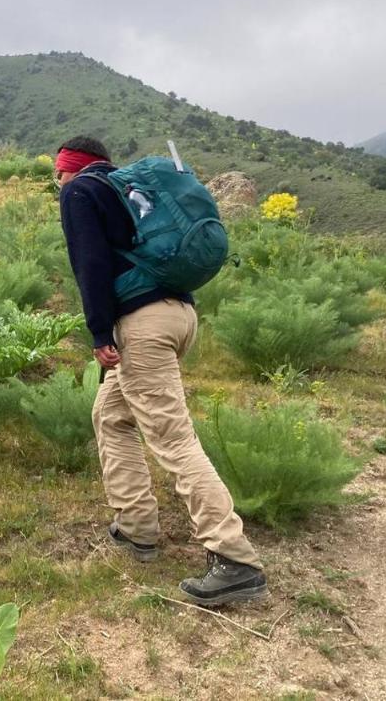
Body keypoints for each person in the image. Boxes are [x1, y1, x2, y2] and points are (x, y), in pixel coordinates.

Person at [56, 135, 268, 607]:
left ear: (71, 166)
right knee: (111, 416)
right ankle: (136, 528)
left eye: (59, 171)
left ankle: (234, 558)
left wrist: (98, 333)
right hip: (179, 316)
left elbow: (87, 263)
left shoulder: (80, 192)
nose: (58, 180)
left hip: (141, 326)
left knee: (172, 438)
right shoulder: (135, 192)